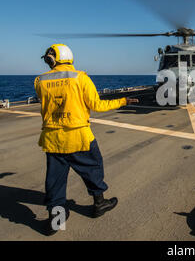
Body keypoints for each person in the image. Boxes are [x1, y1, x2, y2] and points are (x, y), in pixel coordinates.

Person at [34, 44, 139, 235]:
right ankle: (99, 204)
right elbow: (97, 104)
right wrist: (123, 101)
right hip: (79, 137)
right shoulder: (81, 78)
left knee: (55, 181)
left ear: (52, 59)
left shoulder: (40, 81)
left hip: (52, 140)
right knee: (93, 169)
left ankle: (56, 220)